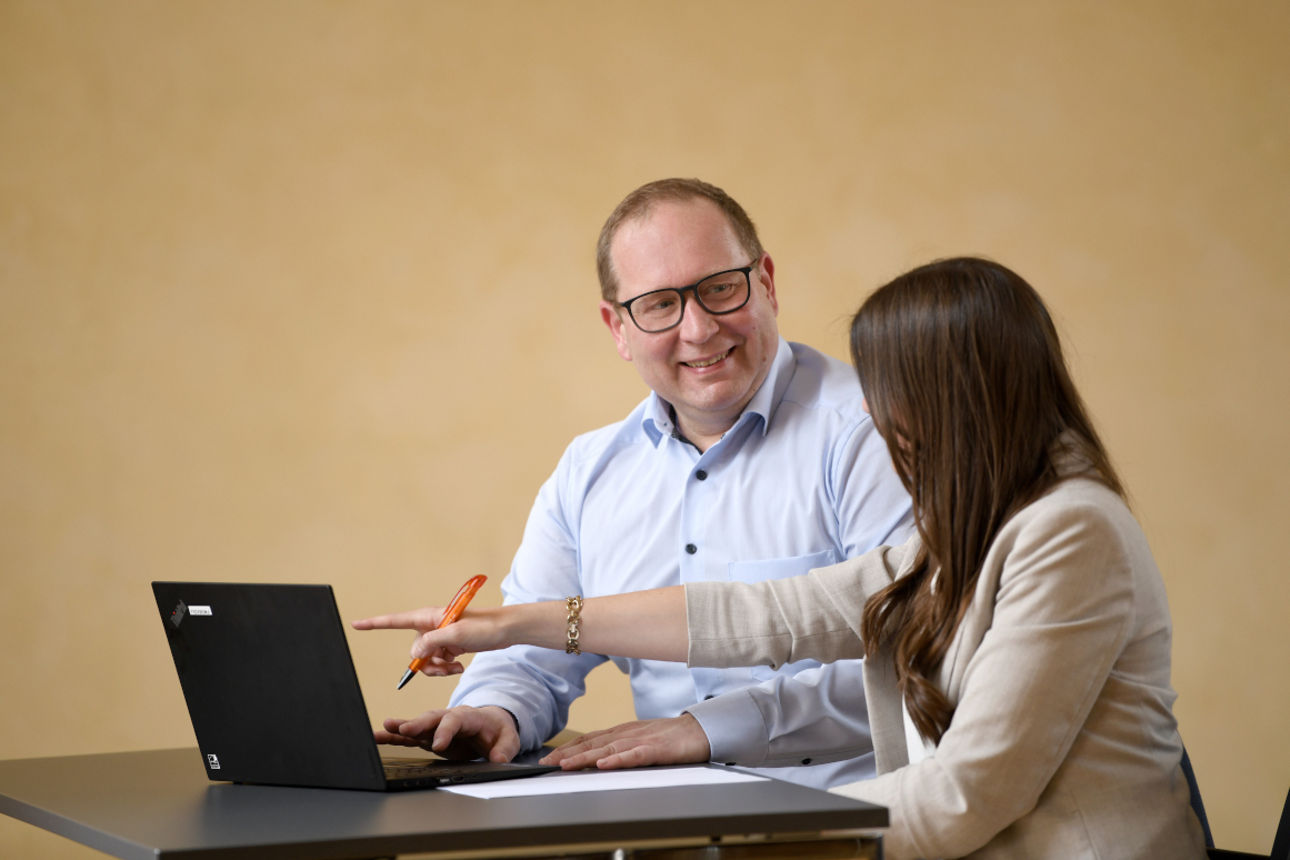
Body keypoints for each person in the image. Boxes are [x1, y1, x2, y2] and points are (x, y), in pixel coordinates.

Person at [365, 257, 1208, 859]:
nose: (874, 413)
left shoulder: (1070, 531)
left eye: (888, 389)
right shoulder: (974, 528)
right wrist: (516, 624)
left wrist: (738, 835)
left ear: (950, 397)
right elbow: (771, 613)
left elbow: (964, 794)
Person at [355, 178, 913, 789]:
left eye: (720, 289)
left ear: (767, 283)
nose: (698, 329)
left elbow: (912, 662)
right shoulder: (588, 471)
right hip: (663, 822)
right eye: (658, 305)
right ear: (617, 328)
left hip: (853, 823)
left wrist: (706, 729)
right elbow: (533, 651)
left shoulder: (873, 431)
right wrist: (494, 710)